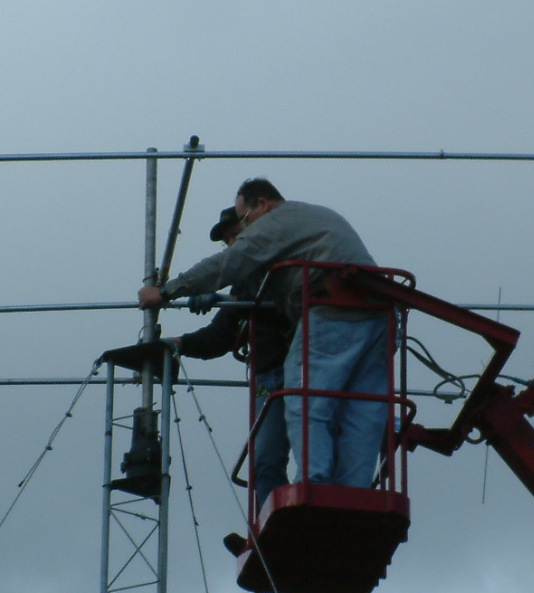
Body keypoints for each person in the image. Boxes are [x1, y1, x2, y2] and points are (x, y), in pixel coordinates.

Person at [139, 178, 389, 493]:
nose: (242, 234)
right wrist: (192, 331)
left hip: (331, 311)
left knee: (306, 399)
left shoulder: (274, 224)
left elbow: (226, 266)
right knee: (362, 406)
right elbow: (224, 328)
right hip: (376, 312)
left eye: (243, 222)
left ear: (263, 204)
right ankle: (354, 491)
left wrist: (166, 292)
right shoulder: (311, 220)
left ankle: (315, 485)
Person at [170, 207, 292, 508]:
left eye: (236, 235)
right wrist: (177, 343)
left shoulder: (283, 265)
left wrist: (227, 299)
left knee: (314, 452)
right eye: (227, 241)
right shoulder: (243, 283)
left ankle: (307, 520)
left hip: (304, 370)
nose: (232, 245)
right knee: (264, 462)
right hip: (267, 379)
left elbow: (287, 302)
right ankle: (273, 529)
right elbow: (220, 336)